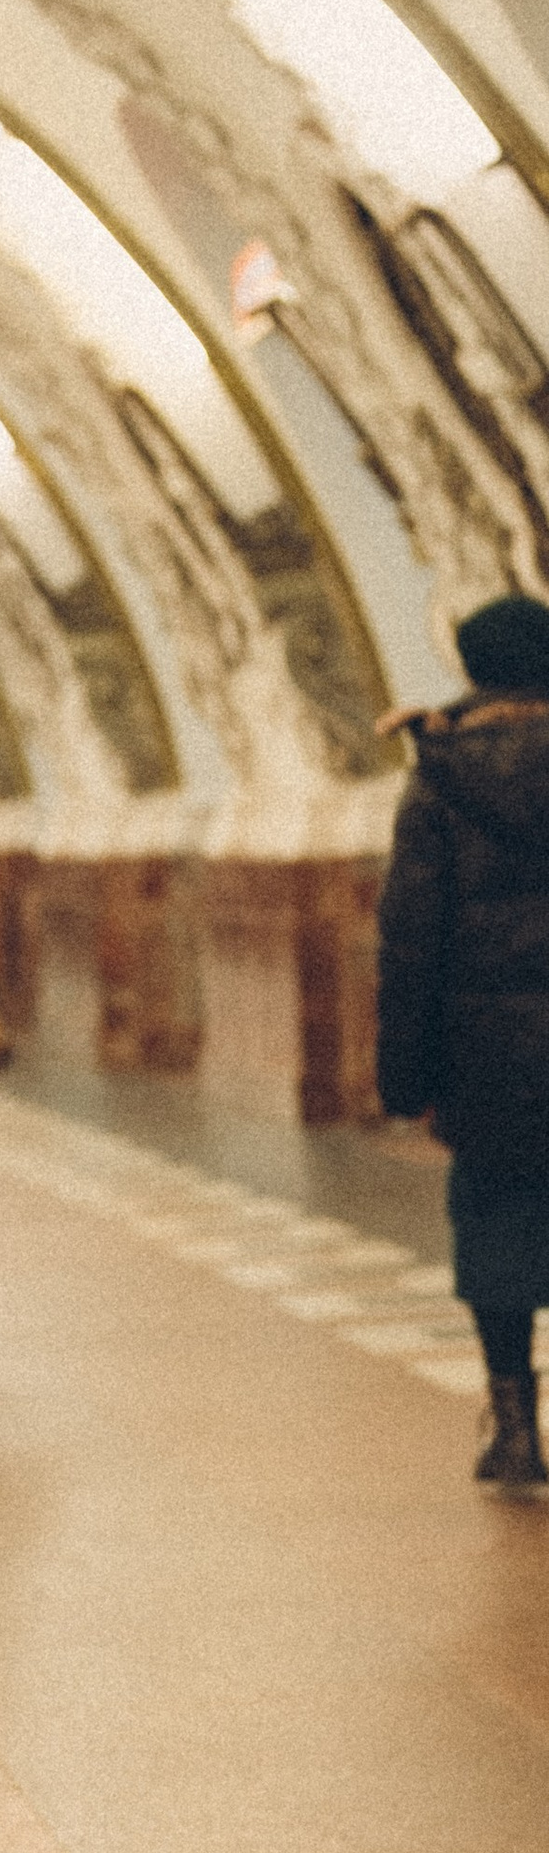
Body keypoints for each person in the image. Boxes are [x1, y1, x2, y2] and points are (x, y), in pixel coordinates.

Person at [376, 587, 549, 1487]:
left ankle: (515, 1427)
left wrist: (405, 1080)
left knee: (495, 1226)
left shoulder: (440, 782)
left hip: (486, 1056)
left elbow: (412, 941)